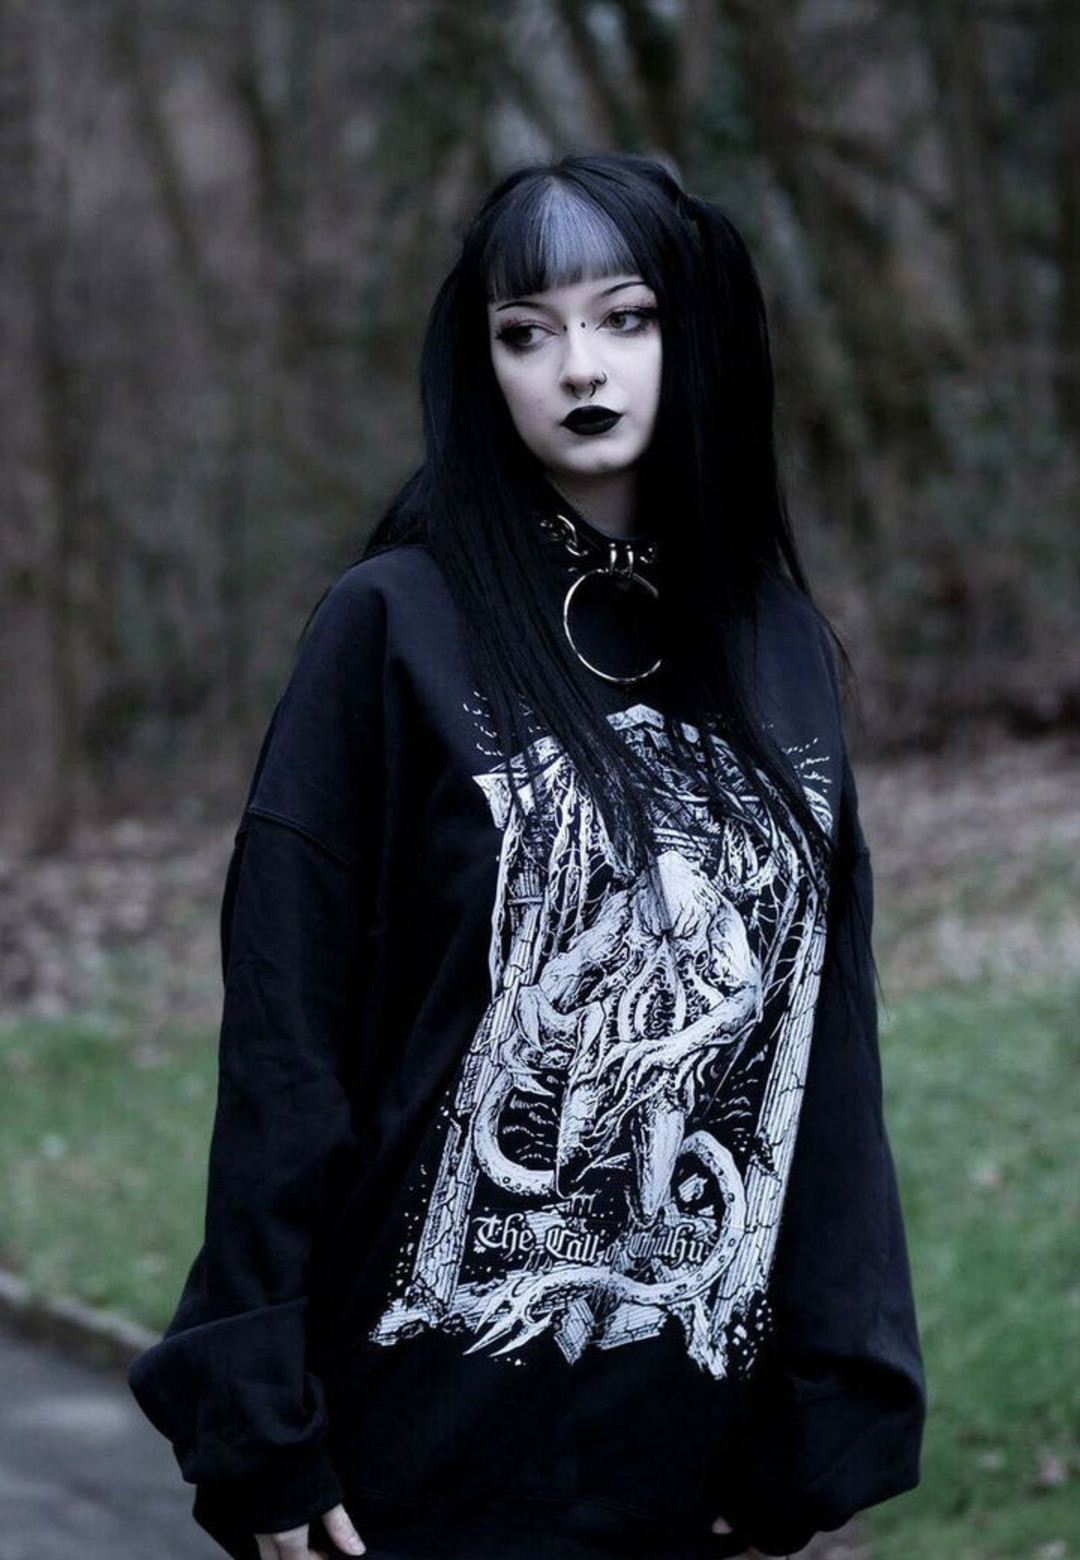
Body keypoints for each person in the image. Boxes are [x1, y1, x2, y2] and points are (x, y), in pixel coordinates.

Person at [128, 151, 925, 1560]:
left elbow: (825, 1044)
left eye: (626, 317)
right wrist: (258, 1412)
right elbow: (285, 1037)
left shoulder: (779, 648)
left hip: (690, 1458)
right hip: (413, 1455)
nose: (578, 367)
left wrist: (828, 1407)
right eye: (526, 332)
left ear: (696, 330)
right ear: (481, 361)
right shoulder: (392, 628)